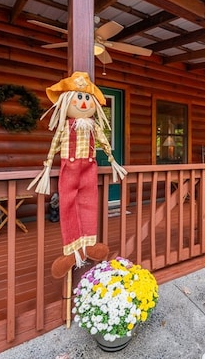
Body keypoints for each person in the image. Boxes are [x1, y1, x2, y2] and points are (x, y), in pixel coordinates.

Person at [29, 71, 127, 279]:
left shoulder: (93, 126)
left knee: (89, 202)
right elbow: (55, 144)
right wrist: (47, 165)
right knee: (68, 205)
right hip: (70, 169)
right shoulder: (65, 126)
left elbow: (104, 142)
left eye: (86, 98)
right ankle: (72, 252)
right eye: (79, 97)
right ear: (66, 102)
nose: (83, 103)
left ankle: (89, 245)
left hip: (89, 169)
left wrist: (111, 159)